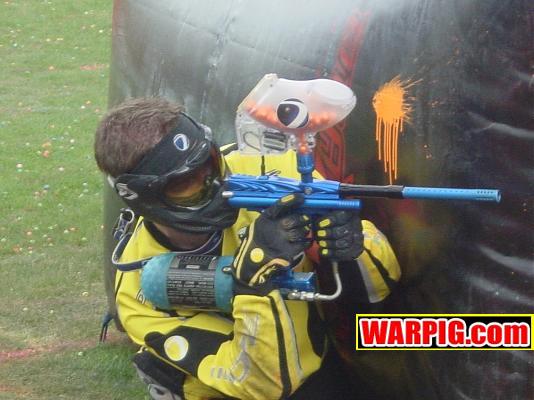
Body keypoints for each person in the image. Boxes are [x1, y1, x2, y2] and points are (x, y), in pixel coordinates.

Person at [94, 97, 401, 400]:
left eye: (211, 164)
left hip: (314, 366)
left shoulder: (269, 170)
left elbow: (379, 289)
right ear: (145, 198)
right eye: (186, 183)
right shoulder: (137, 295)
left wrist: (352, 247)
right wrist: (254, 285)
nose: (218, 186)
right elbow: (260, 384)